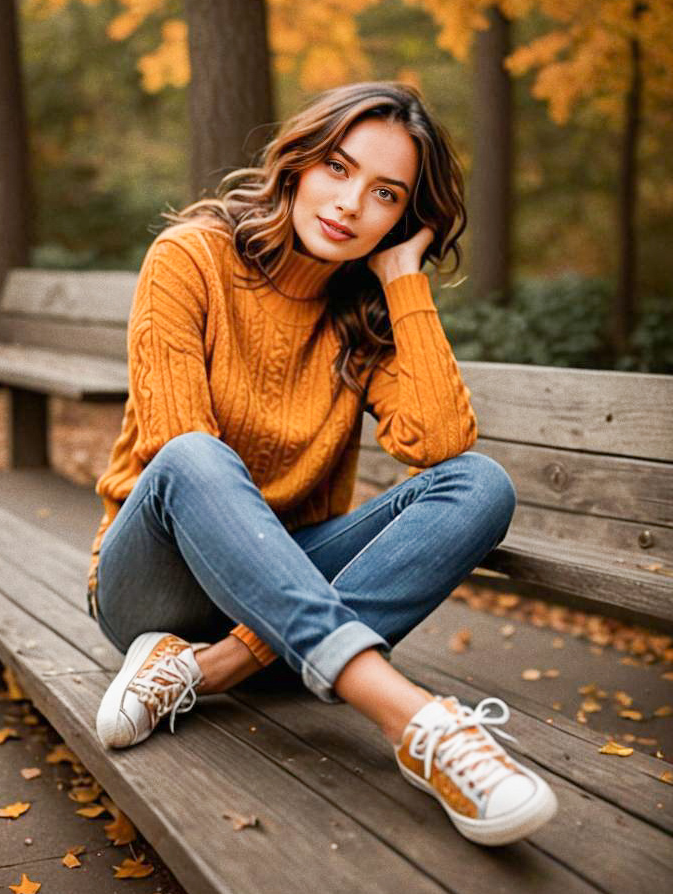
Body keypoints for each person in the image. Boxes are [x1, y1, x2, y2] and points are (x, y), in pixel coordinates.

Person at [88, 81, 558, 846]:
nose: (350, 204)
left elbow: (440, 443)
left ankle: (206, 673)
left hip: (278, 603)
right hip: (153, 586)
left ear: (403, 217)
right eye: (337, 168)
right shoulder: (191, 257)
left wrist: (404, 277)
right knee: (193, 455)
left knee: (480, 483)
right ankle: (413, 721)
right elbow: (173, 450)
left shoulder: (358, 318)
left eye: (384, 194)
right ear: (300, 163)